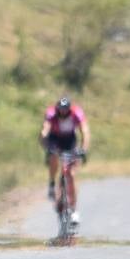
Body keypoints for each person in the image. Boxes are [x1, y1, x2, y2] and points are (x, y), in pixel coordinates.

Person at [40, 97, 90, 229]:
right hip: (55, 139)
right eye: (60, 110)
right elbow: (45, 130)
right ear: (57, 109)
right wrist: (45, 144)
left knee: (71, 175)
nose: (62, 113)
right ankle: (52, 184)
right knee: (53, 157)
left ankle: (73, 210)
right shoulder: (51, 113)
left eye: (65, 110)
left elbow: (84, 131)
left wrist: (83, 149)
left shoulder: (76, 113)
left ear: (69, 109)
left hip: (70, 141)